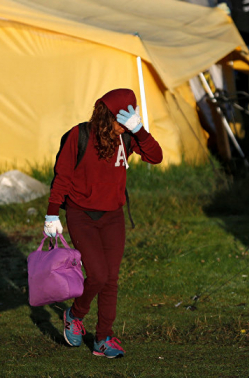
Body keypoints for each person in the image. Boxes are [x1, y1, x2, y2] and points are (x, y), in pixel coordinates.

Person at [44, 88, 163, 358]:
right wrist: (52, 213)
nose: (125, 126)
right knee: (98, 275)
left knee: (111, 279)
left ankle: (103, 338)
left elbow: (156, 157)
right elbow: (62, 176)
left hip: (112, 216)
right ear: (106, 115)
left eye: (129, 120)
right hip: (81, 214)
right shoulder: (80, 134)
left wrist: (140, 130)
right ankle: (75, 314)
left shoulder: (128, 138)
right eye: (122, 119)